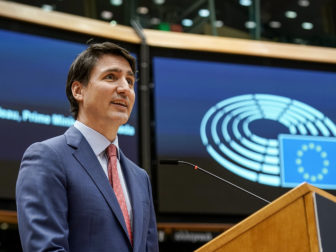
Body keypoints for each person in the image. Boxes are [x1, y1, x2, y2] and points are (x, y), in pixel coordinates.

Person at [16, 42, 159, 252]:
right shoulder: (46, 157)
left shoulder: (140, 178)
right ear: (78, 90)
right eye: (111, 77)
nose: (124, 88)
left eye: (129, 81)